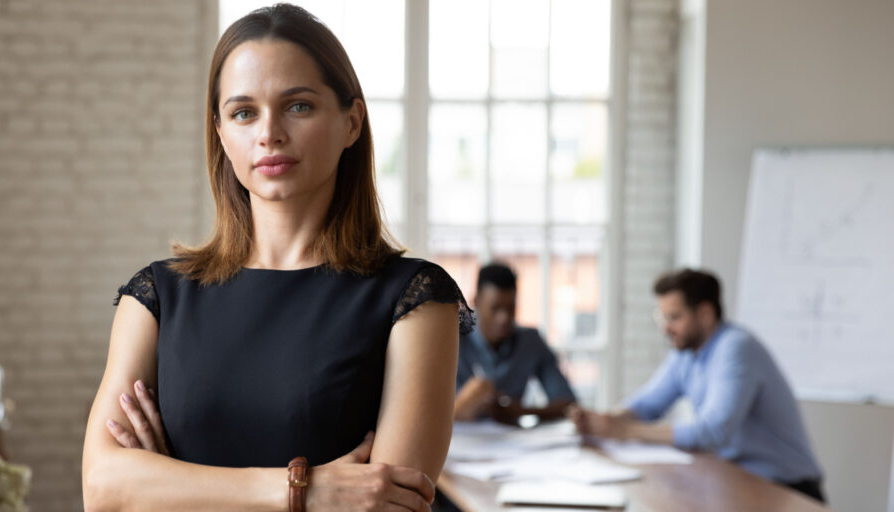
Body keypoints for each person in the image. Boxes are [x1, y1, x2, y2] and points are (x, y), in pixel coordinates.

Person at [80, 5, 473, 511]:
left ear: (351, 122)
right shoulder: (157, 297)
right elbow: (103, 490)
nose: (269, 133)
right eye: (243, 112)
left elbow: (390, 507)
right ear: (220, 133)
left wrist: (170, 485)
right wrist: (304, 490)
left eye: (298, 106)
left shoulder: (415, 300)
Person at [569, 269, 825, 503]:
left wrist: (626, 431)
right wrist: (602, 422)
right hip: (736, 480)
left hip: (786, 489)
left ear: (705, 314)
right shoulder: (685, 353)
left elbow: (712, 432)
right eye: (661, 317)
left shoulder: (736, 347)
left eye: (674, 317)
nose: (665, 328)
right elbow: (647, 405)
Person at [453, 263, 576, 424]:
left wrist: (520, 411)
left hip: (514, 442)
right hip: (458, 443)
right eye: (495, 308)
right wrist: (461, 406)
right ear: (475, 302)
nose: (503, 318)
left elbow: (568, 404)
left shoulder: (530, 342)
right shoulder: (452, 340)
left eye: (510, 308)